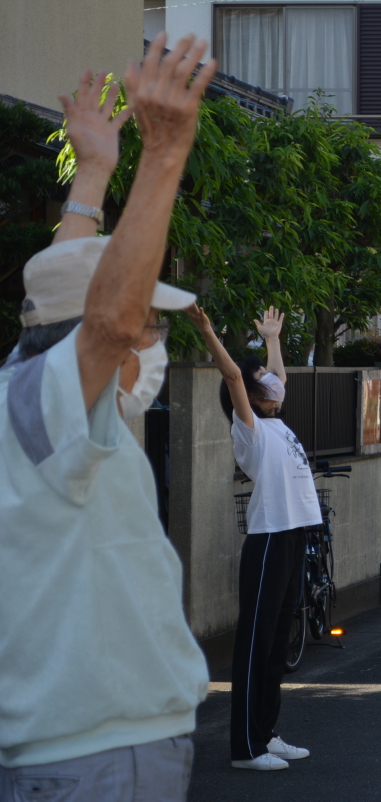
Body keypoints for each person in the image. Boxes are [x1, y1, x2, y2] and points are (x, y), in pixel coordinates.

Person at [0, 35, 215, 799]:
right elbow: (101, 321)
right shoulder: (57, 401)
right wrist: (163, 154)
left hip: (62, 747)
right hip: (99, 754)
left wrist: (92, 176)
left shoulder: (23, 396)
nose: (150, 338)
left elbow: (63, 296)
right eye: (149, 325)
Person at [187, 305, 316, 771]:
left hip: (294, 536)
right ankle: (246, 748)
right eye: (263, 377)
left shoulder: (277, 422)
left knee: (278, 644)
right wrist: (207, 330)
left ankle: (267, 733)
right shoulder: (250, 429)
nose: (272, 380)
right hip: (266, 543)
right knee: (255, 645)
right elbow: (235, 378)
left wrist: (273, 340)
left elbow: (280, 379)